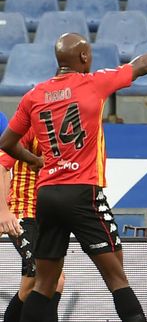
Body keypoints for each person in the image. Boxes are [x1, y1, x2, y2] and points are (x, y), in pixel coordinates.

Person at [0, 33, 147, 322]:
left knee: (43, 284)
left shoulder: (34, 96)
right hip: (82, 193)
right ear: (83, 57)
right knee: (116, 277)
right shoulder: (93, 83)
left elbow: (6, 143)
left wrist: (34, 161)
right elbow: (141, 65)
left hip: (46, 195)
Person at [1, 130, 65, 322]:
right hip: (22, 213)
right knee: (51, 279)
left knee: (33, 284)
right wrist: (3, 212)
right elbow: (1, 166)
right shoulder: (27, 129)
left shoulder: (65, 132)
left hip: (46, 216)